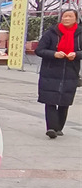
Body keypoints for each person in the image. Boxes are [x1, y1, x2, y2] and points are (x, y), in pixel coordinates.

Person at [35, 9, 81, 139]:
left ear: (75, 19)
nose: (66, 19)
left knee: (64, 101)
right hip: (50, 71)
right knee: (49, 100)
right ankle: (51, 128)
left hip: (70, 71)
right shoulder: (51, 33)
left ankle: (59, 127)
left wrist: (76, 54)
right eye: (64, 16)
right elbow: (39, 50)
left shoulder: (79, 34)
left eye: (70, 16)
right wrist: (54, 54)